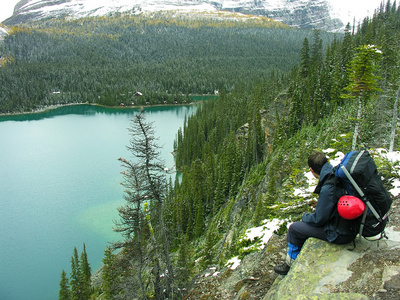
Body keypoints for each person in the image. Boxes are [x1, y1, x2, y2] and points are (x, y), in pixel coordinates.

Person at [273, 150, 357, 275]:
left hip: (339, 233)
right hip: (349, 226)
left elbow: (319, 219)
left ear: (311, 170)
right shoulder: (336, 175)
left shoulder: (328, 186)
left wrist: (305, 217)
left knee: (294, 229)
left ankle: (290, 264)